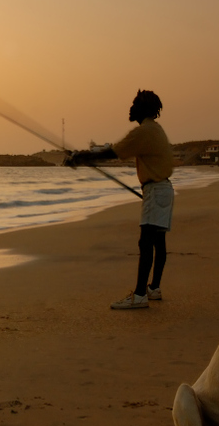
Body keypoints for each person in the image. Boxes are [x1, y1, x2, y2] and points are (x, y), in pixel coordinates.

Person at [65, 89, 174, 309]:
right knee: (158, 242)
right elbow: (115, 151)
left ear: (142, 108)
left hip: (156, 190)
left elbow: (113, 152)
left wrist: (81, 157)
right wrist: (85, 157)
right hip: (163, 189)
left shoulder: (143, 131)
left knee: (146, 242)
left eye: (134, 104)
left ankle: (140, 295)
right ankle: (154, 288)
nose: (131, 108)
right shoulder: (155, 130)